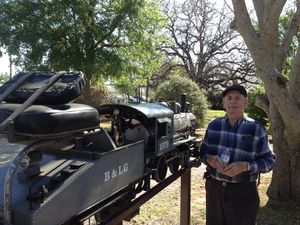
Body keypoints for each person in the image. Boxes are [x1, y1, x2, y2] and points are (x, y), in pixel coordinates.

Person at [200, 84, 276, 225]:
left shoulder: (256, 128)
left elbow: (270, 161)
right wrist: (209, 159)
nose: (233, 101)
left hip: (243, 192)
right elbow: (203, 152)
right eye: (229, 98)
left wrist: (246, 166)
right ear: (223, 102)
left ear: (245, 101)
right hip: (214, 190)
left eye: (237, 98)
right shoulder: (213, 126)